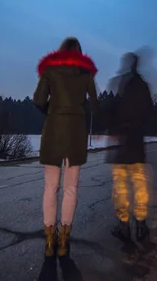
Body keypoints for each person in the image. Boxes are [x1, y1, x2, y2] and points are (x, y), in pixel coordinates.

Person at [33, 37, 99, 257]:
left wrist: (53, 112)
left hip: (53, 132)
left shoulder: (50, 71)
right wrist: (80, 111)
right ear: (79, 53)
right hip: (76, 134)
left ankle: (49, 240)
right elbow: (96, 104)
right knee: (71, 188)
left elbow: (38, 99)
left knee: (50, 188)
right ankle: (64, 241)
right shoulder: (86, 74)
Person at [105, 52, 154, 242]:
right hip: (135, 142)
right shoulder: (142, 85)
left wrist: (113, 128)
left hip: (122, 142)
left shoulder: (120, 82)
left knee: (121, 186)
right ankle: (140, 224)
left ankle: (123, 225)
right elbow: (150, 111)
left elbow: (110, 108)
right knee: (139, 183)